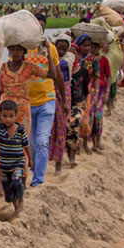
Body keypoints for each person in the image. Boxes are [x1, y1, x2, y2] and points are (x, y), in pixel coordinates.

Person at [0, 44, 50, 187]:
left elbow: (50, 75)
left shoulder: (29, 67)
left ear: (24, 51)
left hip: (22, 112)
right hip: (4, 110)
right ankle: (0, 183)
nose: (15, 53)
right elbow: (1, 91)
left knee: (20, 145)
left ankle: (20, 179)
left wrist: (49, 53)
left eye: (18, 50)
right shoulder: (4, 67)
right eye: (12, 50)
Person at [26, 13, 66, 187]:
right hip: (27, 102)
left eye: (43, 27)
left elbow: (57, 76)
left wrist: (64, 100)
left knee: (42, 141)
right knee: (32, 143)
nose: (40, 29)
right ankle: (35, 171)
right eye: (37, 26)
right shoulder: (23, 48)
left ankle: (38, 180)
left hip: (47, 100)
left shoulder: (51, 49)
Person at [0, 100, 31, 218]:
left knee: (16, 182)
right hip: (4, 166)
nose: (8, 119)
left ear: (15, 116)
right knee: (8, 188)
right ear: (0, 116)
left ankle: (21, 201)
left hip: (17, 164)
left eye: (11, 116)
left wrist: (30, 159)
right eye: (4, 116)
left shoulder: (20, 130)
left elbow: (26, 145)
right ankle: (15, 206)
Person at [50, 34, 74, 175]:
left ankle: (58, 162)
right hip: (50, 90)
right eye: (59, 48)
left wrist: (65, 100)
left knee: (61, 126)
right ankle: (49, 158)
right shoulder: (50, 57)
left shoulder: (69, 58)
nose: (61, 51)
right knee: (50, 126)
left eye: (64, 49)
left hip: (64, 91)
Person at [66, 36, 92, 166]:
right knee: (64, 127)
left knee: (74, 124)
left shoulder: (83, 71)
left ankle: (72, 156)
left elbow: (86, 91)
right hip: (65, 104)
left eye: (74, 53)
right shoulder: (63, 70)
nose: (71, 56)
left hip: (78, 103)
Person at [90, 42, 112, 151]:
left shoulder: (103, 60)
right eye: (91, 47)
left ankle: (98, 141)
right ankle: (92, 141)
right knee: (90, 117)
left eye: (95, 48)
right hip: (89, 90)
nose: (93, 50)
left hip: (100, 90)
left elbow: (108, 77)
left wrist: (107, 92)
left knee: (98, 116)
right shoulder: (87, 60)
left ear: (99, 48)